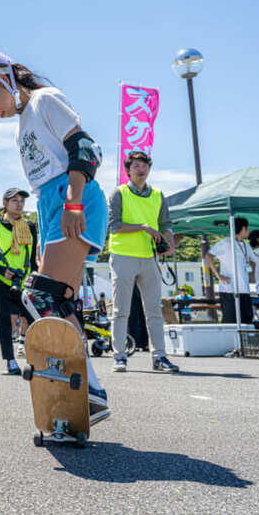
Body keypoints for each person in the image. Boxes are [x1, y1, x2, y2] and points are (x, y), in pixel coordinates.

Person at [0, 48, 110, 418]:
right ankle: (79, 384)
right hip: (52, 207)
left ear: (3, 75)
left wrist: (73, 203)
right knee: (54, 298)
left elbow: (83, 149)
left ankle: (89, 385)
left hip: (76, 198)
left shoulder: (44, 101)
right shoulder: (22, 125)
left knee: (44, 296)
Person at [106, 150, 180, 372]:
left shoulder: (158, 194)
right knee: (121, 310)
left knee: (155, 310)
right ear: (127, 170)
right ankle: (119, 356)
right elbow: (114, 226)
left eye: (145, 165)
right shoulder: (118, 193)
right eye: (136, 166)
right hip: (123, 256)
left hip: (149, 258)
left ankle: (159, 357)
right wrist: (143, 228)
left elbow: (166, 224)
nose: (141, 169)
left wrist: (168, 243)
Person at [0, 187, 39, 374]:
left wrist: (34, 276)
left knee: (31, 317)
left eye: (21, 200)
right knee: (4, 320)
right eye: (14, 200)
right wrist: (2, 270)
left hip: (22, 280)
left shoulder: (29, 227)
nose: (19, 204)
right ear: (5, 204)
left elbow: (31, 258)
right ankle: (10, 361)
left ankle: (34, 357)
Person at [205, 217, 256, 324]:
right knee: (230, 322)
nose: (249, 231)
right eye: (247, 228)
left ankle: (246, 341)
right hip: (229, 290)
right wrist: (218, 275)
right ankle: (229, 341)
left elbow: (253, 260)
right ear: (243, 229)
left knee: (247, 322)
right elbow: (208, 256)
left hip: (245, 290)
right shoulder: (226, 243)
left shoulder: (246, 245)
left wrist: (252, 273)